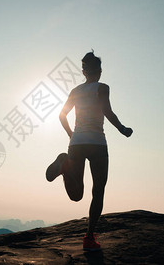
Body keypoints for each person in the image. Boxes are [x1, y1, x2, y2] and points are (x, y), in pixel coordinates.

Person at [46, 51, 133, 251]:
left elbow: (62, 115)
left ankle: (65, 165)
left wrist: (71, 135)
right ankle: (89, 237)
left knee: (76, 195)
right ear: (100, 71)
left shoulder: (75, 90)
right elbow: (107, 111)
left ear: (84, 72)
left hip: (76, 143)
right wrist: (122, 129)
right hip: (97, 143)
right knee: (98, 191)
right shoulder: (103, 88)